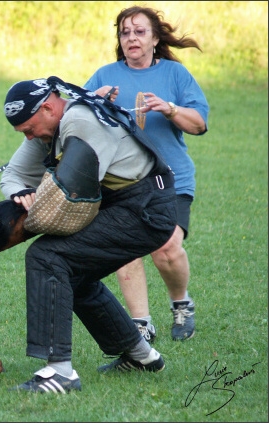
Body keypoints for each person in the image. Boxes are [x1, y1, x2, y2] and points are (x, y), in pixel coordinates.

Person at [0, 76, 177, 393]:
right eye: (23, 132)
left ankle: (60, 373)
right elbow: (13, 174)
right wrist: (20, 194)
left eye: (29, 129)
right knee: (72, 272)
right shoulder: (48, 128)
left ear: (49, 107)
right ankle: (141, 356)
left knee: (47, 256)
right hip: (126, 206)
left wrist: (29, 214)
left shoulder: (80, 121)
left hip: (145, 208)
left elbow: (69, 196)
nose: (29, 137)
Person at [84, 6, 209, 343]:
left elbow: (199, 124)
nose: (131, 38)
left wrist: (169, 108)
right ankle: (141, 325)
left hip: (171, 179)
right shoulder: (105, 75)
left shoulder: (175, 75)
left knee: (167, 248)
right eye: (125, 32)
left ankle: (180, 303)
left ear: (155, 38)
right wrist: (93, 102)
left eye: (139, 31)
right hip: (122, 182)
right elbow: (76, 119)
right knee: (126, 250)